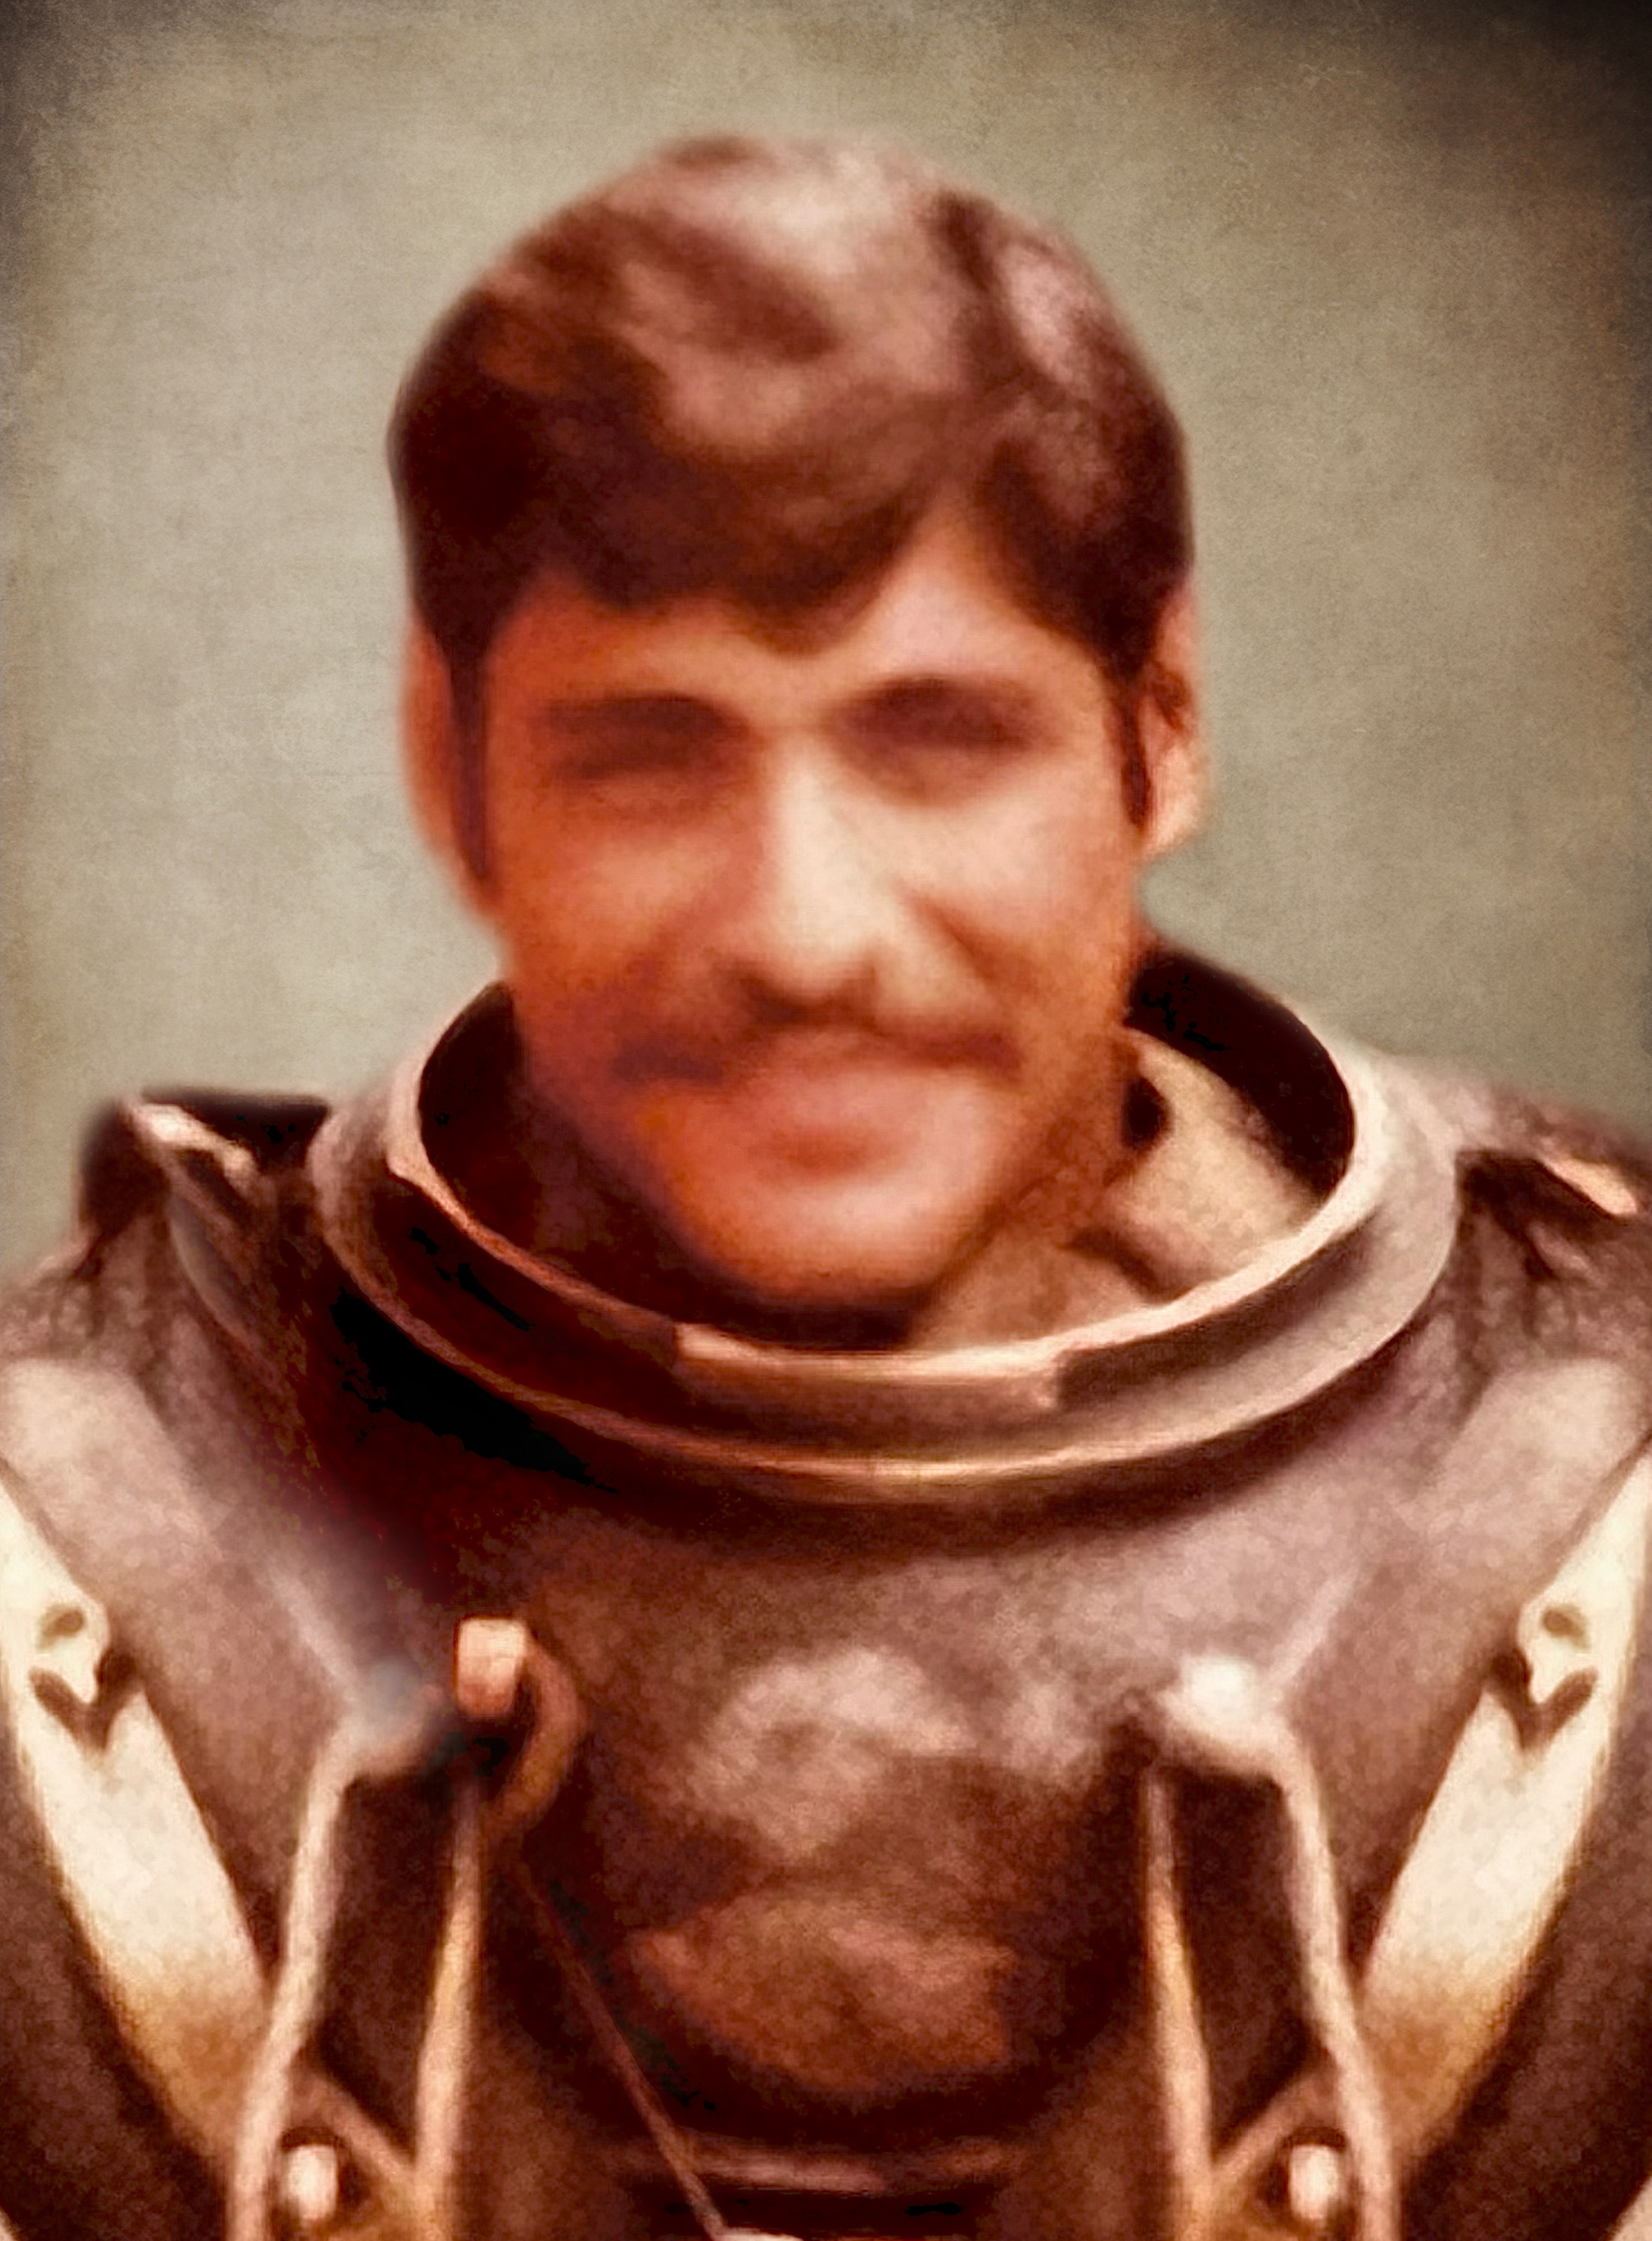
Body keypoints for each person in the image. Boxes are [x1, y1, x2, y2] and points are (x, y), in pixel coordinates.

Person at [1, 134, 1650, 2241]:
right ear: (452, 767)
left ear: (1159, 729)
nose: (805, 932)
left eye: (935, 739)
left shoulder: (1602, 1454)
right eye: (649, 756)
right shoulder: (84, 1519)